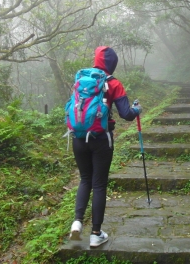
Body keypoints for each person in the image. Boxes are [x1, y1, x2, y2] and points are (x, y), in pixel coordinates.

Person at [68, 46, 142, 248]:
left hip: (78, 137)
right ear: (113, 63)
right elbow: (126, 114)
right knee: (99, 184)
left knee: (85, 179)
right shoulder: (114, 83)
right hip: (101, 139)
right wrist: (137, 109)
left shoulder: (81, 79)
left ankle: (77, 223)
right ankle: (96, 234)